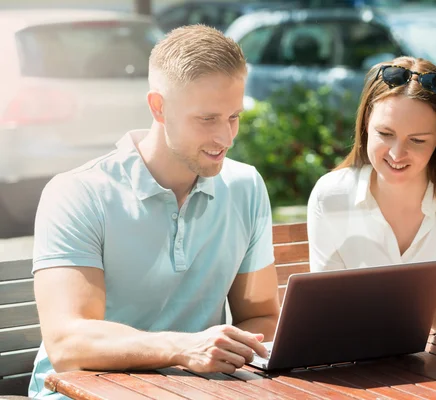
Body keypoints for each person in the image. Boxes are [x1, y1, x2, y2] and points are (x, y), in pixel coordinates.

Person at [29, 25, 279, 398]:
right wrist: (182, 348)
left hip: (197, 391)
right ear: (158, 107)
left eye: (233, 117)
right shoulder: (78, 193)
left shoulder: (245, 186)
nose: (225, 138)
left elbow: (261, 317)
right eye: (207, 119)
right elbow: (69, 343)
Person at [307, 56, 436, 334]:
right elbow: (324, 306)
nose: (396, 154)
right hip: (362, 360)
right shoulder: (330, 196)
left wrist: (386, 301)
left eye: (417, 140)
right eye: (385, 133)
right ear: (366, 122)